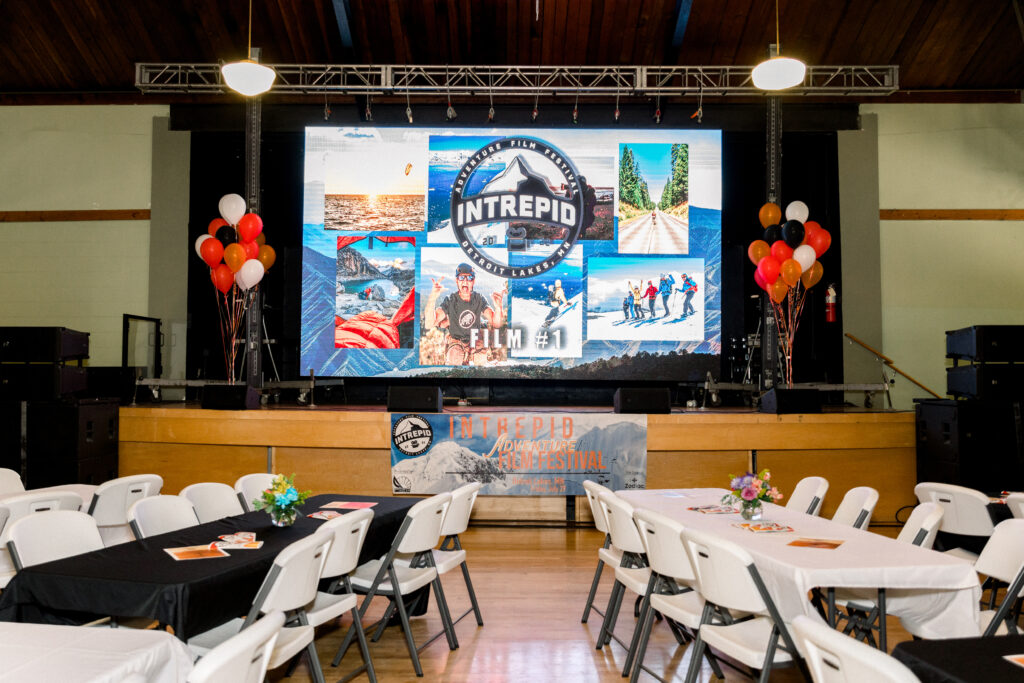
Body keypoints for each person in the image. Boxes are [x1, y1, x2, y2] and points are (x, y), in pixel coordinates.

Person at [424, 263, 506, 365]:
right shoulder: (450, 300)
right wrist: (432, 299)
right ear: (457, 280)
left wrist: (499, 307)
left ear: (473, 281)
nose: (465, 281)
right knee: (455, 358)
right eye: (462, 277)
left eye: (469, 278)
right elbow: (429, 324)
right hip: (456, 340)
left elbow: (496, 323)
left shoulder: (479, 299)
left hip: (475, 340)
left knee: (480, 361)